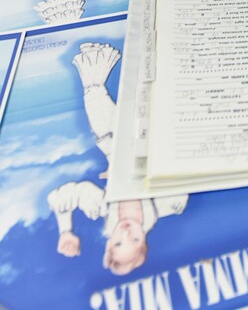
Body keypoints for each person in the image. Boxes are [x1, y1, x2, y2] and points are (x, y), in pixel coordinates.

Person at [47, 42, 187, 275]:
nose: (126, 233)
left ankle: (99, 60)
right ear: (144, 240)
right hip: (154, 136)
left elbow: (61, 198)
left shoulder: (99, 205)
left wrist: (66, 231)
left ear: (109, 242)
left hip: (112, 139)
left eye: (119, 242)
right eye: (134, 240)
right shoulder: (168, 204)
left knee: (95, 94)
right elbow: (179, 174)